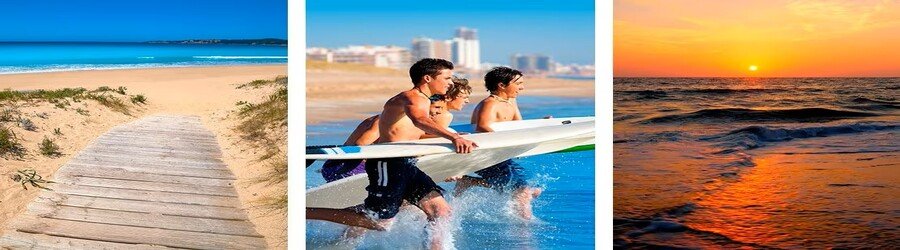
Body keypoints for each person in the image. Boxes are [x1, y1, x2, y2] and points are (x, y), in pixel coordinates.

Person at [307, 58, 477, 249]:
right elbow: (419, 120)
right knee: (379, 222)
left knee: (441, 211)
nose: (450, 83)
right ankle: (304, 212)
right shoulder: (412, 97)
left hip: (407, 164)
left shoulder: (422, 100)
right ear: (428, 78)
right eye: (446, 78)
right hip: (388, 163)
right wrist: (453, 138)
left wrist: (450, 134)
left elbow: (412, 132)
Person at [454, 66, 542, 220]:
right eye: (518, 83)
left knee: (519, 188)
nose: (522, 87)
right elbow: (482, 126)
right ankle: (525, 226)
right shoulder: (490, 104)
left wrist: (544, 125)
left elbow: (518, 125)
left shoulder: (511, 101)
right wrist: (505, 144)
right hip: (486, 155)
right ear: (502, 85)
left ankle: (470, 182)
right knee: (522, 191)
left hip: (501, 155)